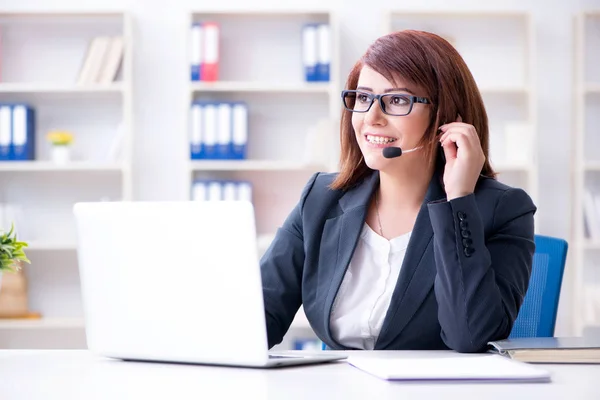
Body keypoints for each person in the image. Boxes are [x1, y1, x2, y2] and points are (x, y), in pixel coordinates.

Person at [260, 30, 536, 353]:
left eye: (396, 100)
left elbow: (470, 337)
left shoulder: (502, 210)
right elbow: (256, 321)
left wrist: (458, 199)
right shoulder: (322, 198)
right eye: (363, 98)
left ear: (446, 118)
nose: (371, 118)